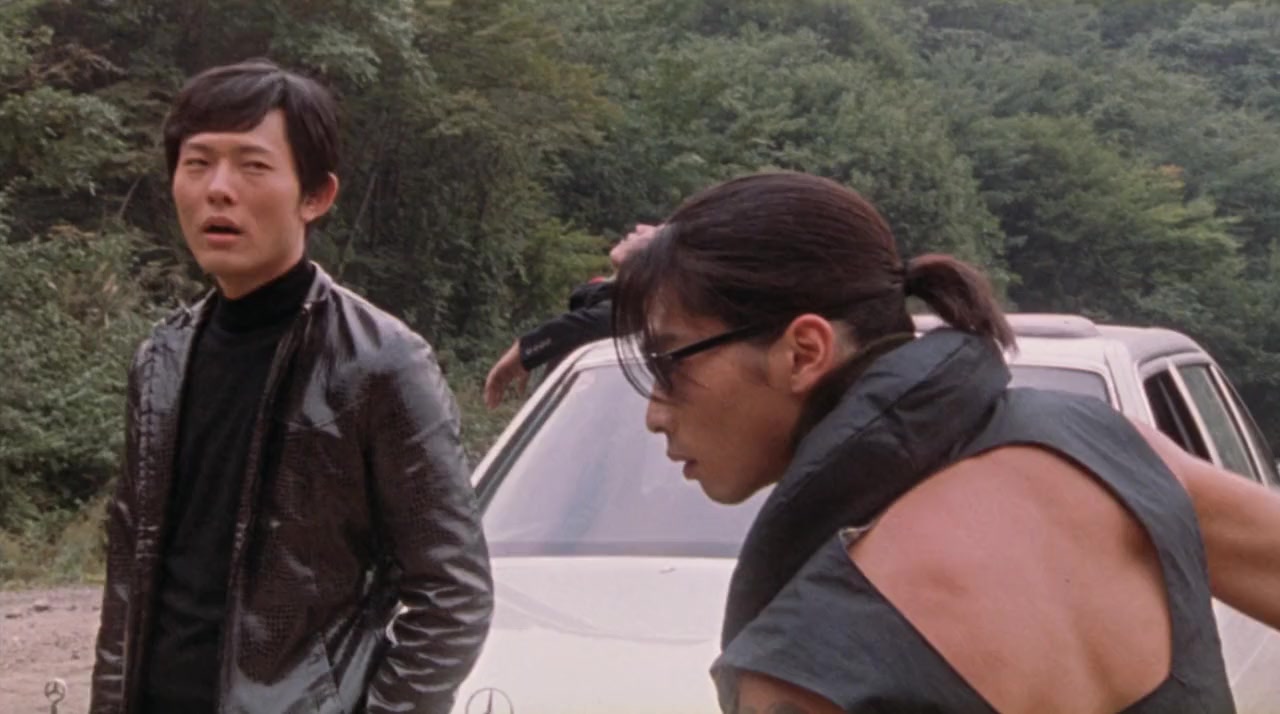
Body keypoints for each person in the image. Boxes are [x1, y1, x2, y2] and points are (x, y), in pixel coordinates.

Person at [610, 171, 1280, 713]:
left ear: (804, 351)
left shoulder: (812, 667)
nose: (654, 414)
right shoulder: (1113, 450)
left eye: (668, 362)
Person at [89, 59, 493, 714]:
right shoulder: (161, 358)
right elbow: (127, 582)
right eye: (198, 164)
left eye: (252, 166)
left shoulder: (380, 362)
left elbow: (453, 595)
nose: (219, 189)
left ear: (316, 196)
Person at [483, 222, 660, 408]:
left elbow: (596, 321)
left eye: (657, 232)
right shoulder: (598, 298)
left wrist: (525, 352)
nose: (639, 228)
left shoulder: (633, 315)